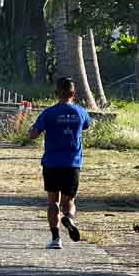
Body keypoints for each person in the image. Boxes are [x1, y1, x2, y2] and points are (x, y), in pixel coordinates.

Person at [27, 76, 91, 249]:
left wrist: (29, 132)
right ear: (73, 93)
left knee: (52, 202)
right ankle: (69, 218)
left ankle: (56, 239)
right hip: (72, 163)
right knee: (69, 201)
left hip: (52, 163)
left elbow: (34, 134)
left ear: (57, 93)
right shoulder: (80, 112)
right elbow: (86, 126)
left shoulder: (49, 113)